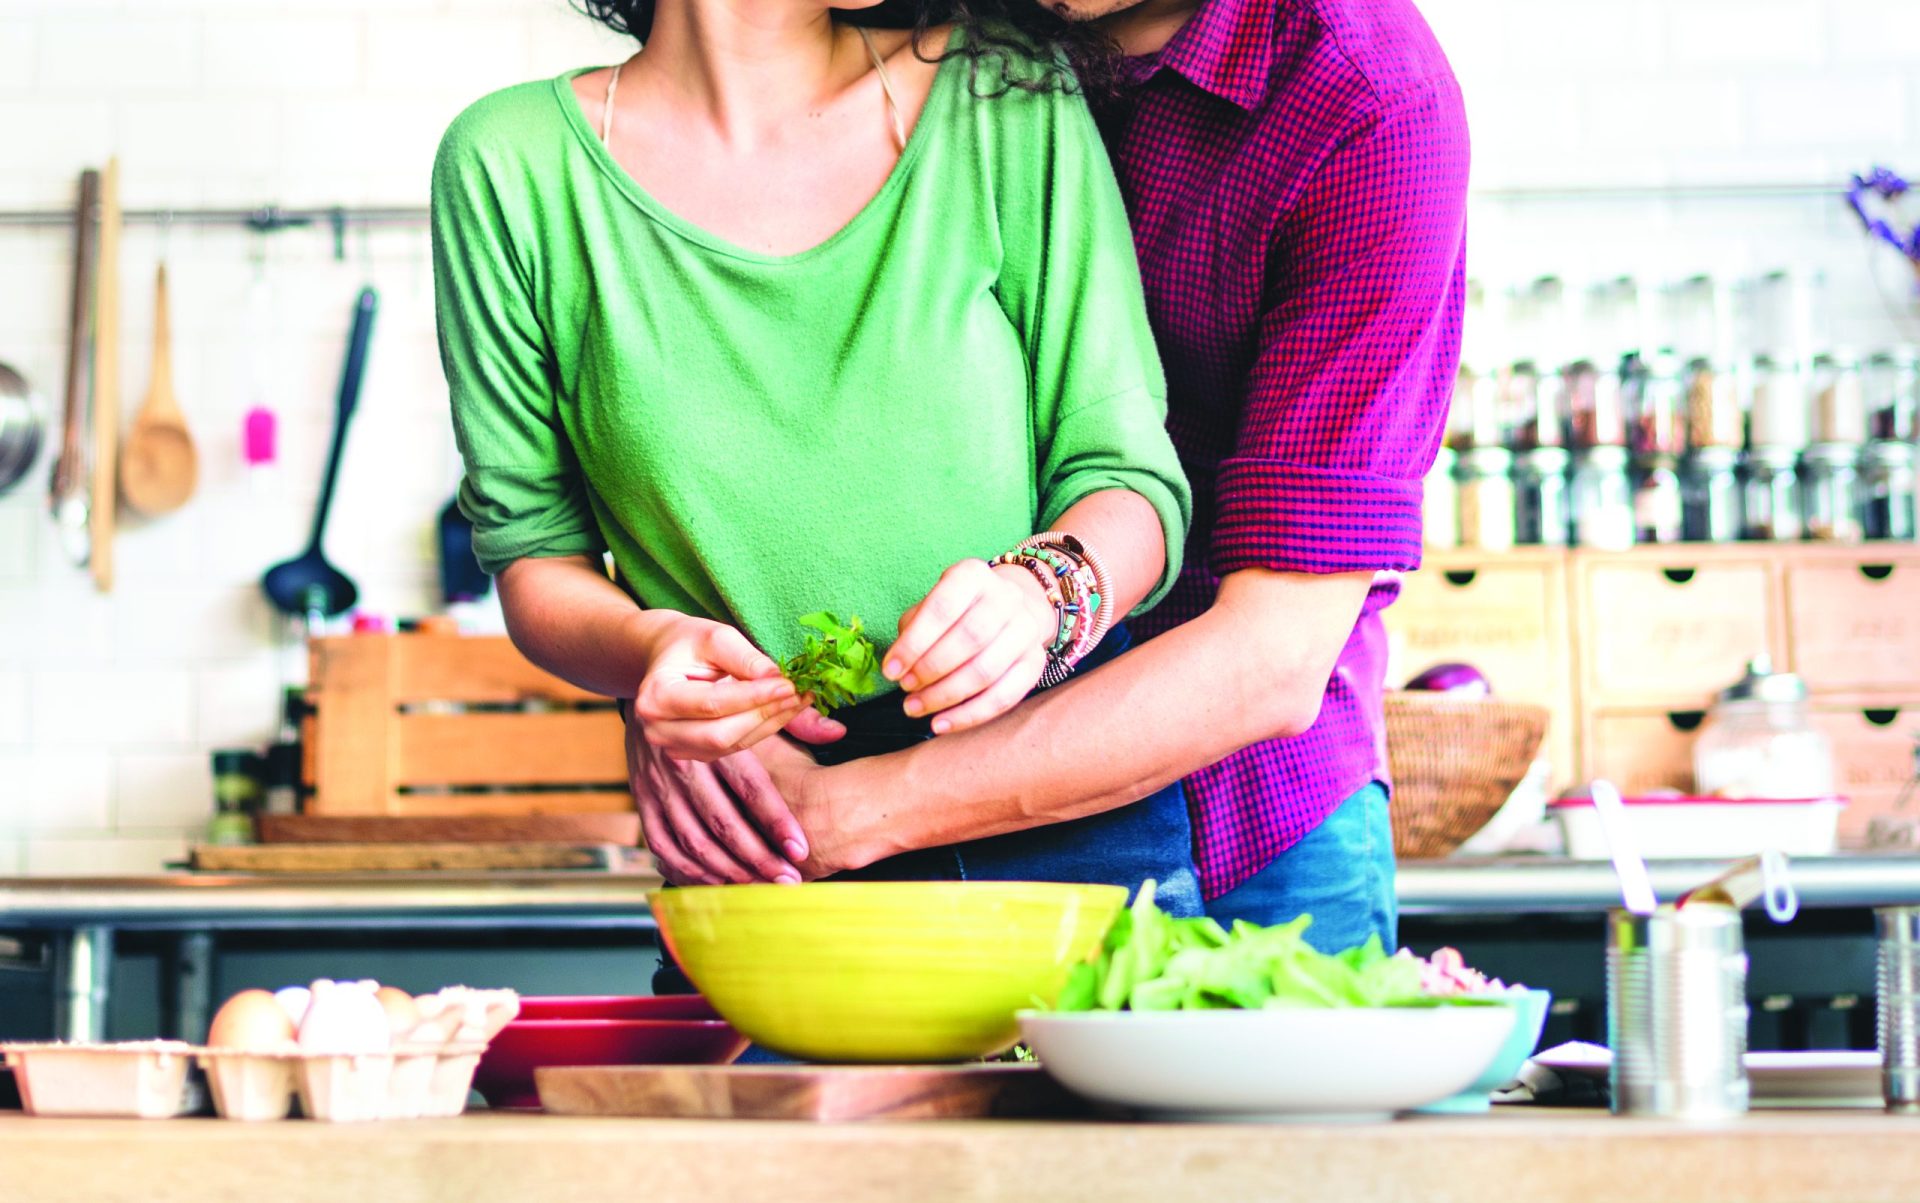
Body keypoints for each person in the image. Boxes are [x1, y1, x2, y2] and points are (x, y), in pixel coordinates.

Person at [628, 0, 1470, 953]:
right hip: (855, 771)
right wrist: (672, 694)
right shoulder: (904, 20)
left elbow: (1271, 658)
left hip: (1243, 814)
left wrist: (836, 814)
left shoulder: (1366, 99)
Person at [431, 0, 1202, 910]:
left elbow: (1129, 477)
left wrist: (1042, 595)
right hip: (763, 839)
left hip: (1061, 823)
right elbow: (536, 562)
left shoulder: (1001, 88)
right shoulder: (508, 167)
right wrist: (650, 651)